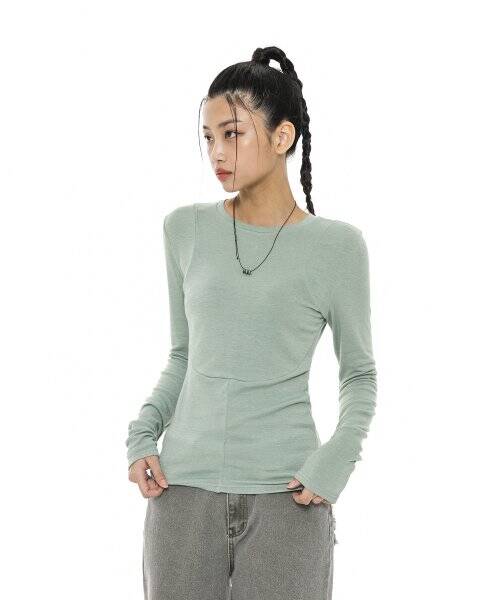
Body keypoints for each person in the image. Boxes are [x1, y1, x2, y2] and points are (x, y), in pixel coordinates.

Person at [126, 45, 377, 600]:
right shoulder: (184, 229)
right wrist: (143, 433)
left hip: (290, 493)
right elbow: (184, 356)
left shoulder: (337, 248)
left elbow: (359, 374)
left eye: (233, 134)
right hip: (181, 492)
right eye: (208, 137)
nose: (217, 152)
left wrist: (336, 460)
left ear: (283, 136)